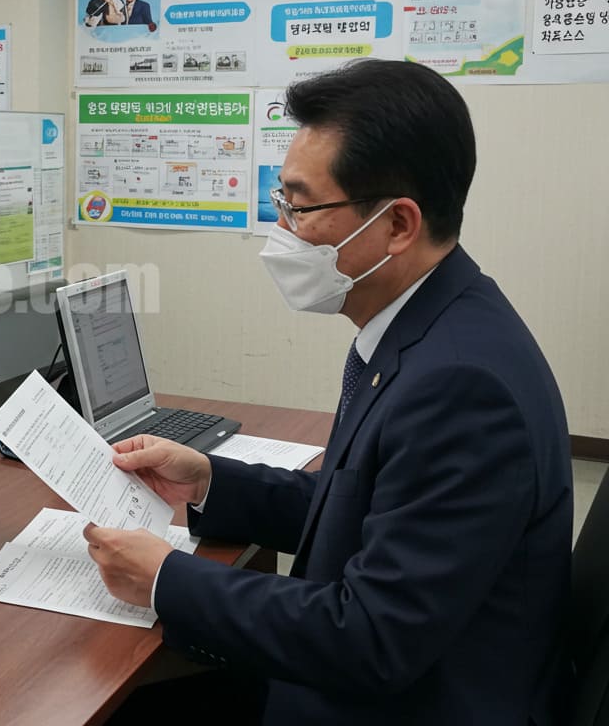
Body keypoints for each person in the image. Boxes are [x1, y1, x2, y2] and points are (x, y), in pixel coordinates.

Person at [86, 58, 572, 724]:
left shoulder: (461, 386)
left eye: (300, 206)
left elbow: (371, 638)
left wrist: (165, 578)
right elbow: (362, 504)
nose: (282, 229)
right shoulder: (424, 324)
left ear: (398, 225)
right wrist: (208, 481)